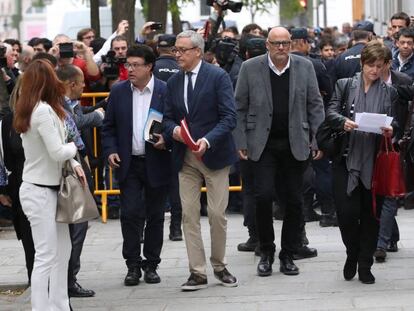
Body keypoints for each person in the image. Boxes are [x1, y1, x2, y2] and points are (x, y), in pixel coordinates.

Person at [234, 26, 325, 277]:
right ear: (267, 45)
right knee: (263, 197)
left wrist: (318, 140)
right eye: (277, 43)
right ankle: (266, 251)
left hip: (296, 144)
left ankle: (288, 254)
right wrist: (241, 140)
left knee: (295, 202)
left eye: (286, 43)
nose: (282, 48)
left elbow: (315, 105)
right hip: (261, 145)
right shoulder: (250, 68)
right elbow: (239, 106)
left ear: (291, 44)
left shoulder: (305, 67)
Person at [163, 30, 238, 291]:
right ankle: (197, 271)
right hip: (185, 158)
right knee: (189, 215)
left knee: (217, 214)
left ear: (197, 51)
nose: (177, 54)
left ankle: (220, 265)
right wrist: (173, 131)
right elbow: (168, 118)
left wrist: (207, 140)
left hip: (214, 155)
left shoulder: (218, 77)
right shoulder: (173, 82)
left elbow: (229, 117)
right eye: (175, 50)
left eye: (182, 50)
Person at [14, 59, 86, 310]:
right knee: (46, 256)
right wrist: (73, 147)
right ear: (47, 81)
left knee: (60, 252)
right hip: (40, 191)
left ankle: (59, 304)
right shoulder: (42, 111)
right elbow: (58, 151)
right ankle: (42, 307)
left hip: (48, 190)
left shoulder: (35, 108)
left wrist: (74, 162)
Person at [325, 41, 398, 284]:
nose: (374, 71)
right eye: (370, 65)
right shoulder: (345, 85)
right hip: (346, 159)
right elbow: (331, 111)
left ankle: (365, 263)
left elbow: (395, 122)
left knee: (371, 214)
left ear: (386, 66)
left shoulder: (390, 92)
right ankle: (351, 253)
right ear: (362, 63)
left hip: (375, 162)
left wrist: (390, 130)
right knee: (346, 213)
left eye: (379, 66)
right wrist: (342, 121)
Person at [102, 45, 171, 286]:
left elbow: (174, 123)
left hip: (157, 161)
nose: (129, 69)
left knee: (155, 215)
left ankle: (152, 264)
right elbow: (108, 127)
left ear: (149, 66)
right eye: (127, 65)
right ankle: (132, 264)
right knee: (130, 214)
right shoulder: (119, 91)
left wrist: (167, 139)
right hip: (128, 163)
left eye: (135, 65)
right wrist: (110, 151)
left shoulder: (165, 90)